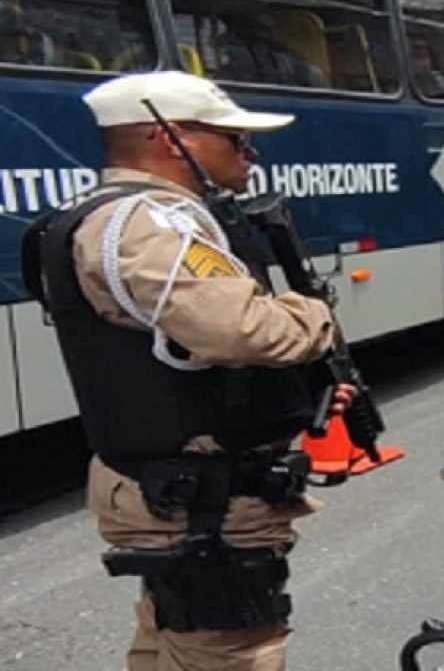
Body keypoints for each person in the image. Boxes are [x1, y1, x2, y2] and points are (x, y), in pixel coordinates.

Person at [26, 71, 354, 670]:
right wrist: (313, 314)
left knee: (173, 640)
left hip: (180, 484)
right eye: (234, 139)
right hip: (198, 495)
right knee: (230, 651)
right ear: (170, 139)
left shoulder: (109, 214)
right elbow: (242, 329)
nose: (249, 153)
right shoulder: (153, 222)